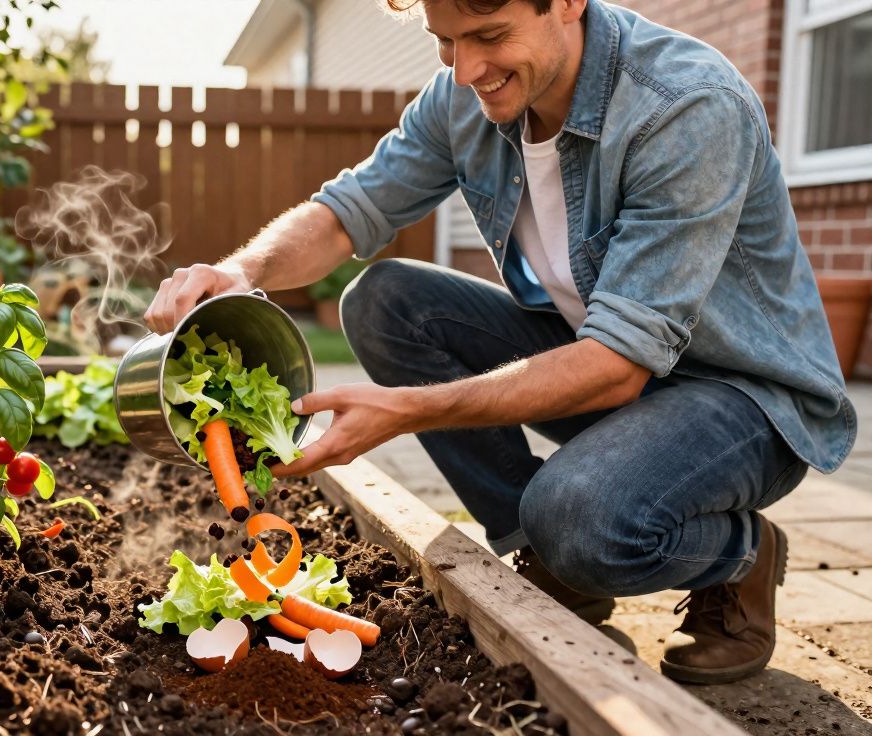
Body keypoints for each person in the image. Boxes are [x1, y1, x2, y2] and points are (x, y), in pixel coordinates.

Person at [142, 0, 856, 685]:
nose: (465, 69)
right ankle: (548, 562)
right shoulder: (464, 96)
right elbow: (348, 211)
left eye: (489, 36)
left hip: (742, 398)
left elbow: (615, 366)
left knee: (579, 518)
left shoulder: (684, 107)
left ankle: (739, 554)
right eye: (445, 41)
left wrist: (408, 410)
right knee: (386, 301)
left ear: (567, 2)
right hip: (611, 359)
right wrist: (241, 271)